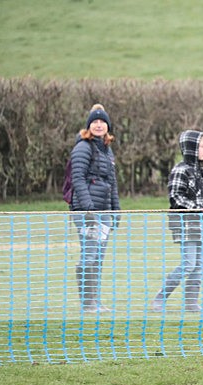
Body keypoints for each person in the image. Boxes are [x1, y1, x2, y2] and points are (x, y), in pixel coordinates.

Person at [151, 130, 203, 313]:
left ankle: (191, 303)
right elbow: (176, 198)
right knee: (188, 263)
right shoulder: (180, 170)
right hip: (186, 225)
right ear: (192, 149)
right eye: (202, 146)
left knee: (198, 267)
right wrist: (199, 209)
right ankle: (160, 298)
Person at [69, 103, 120, 313]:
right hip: (87, 213)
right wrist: (88, 209)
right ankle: (87, 303)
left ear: (107, 126)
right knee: (89, 256)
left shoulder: (106, 150)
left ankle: (96, 301)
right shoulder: (83, 147)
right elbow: (78, 179)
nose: (99, 125)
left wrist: (115, 211)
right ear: (88, 126)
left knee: (98, 257)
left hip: (104, 212)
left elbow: (112, 182)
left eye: (102, 122)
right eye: (95, 122)